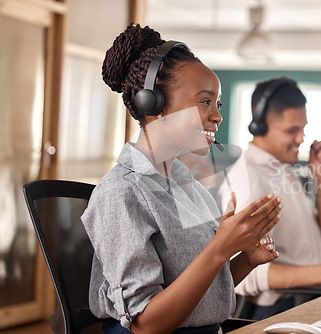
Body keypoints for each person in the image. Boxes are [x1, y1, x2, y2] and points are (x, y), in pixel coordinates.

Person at [81, 24, 283, 334]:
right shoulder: (122, 192)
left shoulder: (186, 185)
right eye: (205, 102)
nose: (217, 116)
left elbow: (197, 294)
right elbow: (146, 323)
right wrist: (220, 247)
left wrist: (245, 258)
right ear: (154, 104)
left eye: (218, 104)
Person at [217, 77, 321, 321]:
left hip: (311, 296)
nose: (301, 138)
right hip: (280, 310)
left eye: (303, 128)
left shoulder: (282, 169)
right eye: (292, 130)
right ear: (259, 127)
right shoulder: (247, 180)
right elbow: (243, 277)